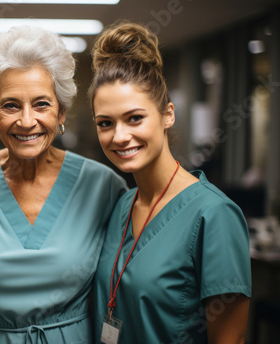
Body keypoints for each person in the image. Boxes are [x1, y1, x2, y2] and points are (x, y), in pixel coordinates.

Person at [0, 26, 127, 343]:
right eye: (10, 105)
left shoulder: (103, 187)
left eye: (41, 104)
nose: (26, 120)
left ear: (61, 111)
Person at [90, 21, 251, 343]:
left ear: (168, 114)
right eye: (105, 123)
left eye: (135, 118)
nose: (120, 136)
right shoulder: (122, 203)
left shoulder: (214, 215)